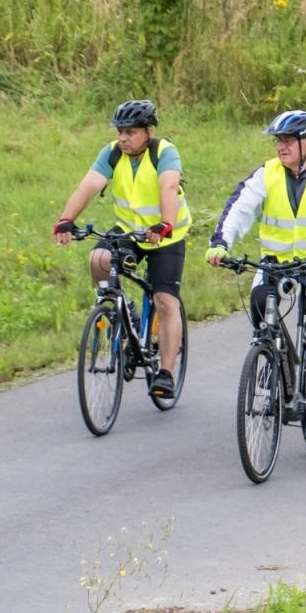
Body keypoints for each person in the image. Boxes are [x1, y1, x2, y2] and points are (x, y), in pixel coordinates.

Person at [207, 110, 306, 441]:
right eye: (278, 140)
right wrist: (221, 242)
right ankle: (275, 355)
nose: (281, 147)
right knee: (260, 305)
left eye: (287, 140)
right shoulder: (267, 173)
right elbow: (239, 206)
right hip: (277, 264)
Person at [52, 99, 189, 398]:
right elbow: (87, 185)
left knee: (165, 300)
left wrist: (165, 223)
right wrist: (66, 219)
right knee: (99, 259)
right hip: (129, 230)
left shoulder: (164, 152)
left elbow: (168, 187)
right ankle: (120, 308)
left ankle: (165, 372)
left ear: (148, 131)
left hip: (165, 235)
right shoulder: (113, 153)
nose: (123, 138)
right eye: (120, 132)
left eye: (130, 132)